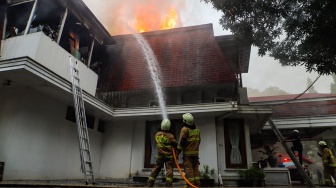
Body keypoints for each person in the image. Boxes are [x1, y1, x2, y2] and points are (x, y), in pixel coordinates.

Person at [147, 119, 177, 187]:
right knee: (169, 170)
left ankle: (150, 183)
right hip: (169, 156)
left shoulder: (157, 134)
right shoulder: (171, 136)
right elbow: (175, 144)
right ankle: (169, 185)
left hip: (160, 155)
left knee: (156, 169)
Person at [177, 113, 201, 187]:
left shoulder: (184, 129)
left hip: (188, 154)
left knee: (189, 169)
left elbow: (182, 142)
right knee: (195, 169)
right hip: (196, 154)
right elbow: (199, 141)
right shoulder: (197, 129)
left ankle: (190, 185)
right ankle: (197, 185)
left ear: (185, 121)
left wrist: (177, 152)